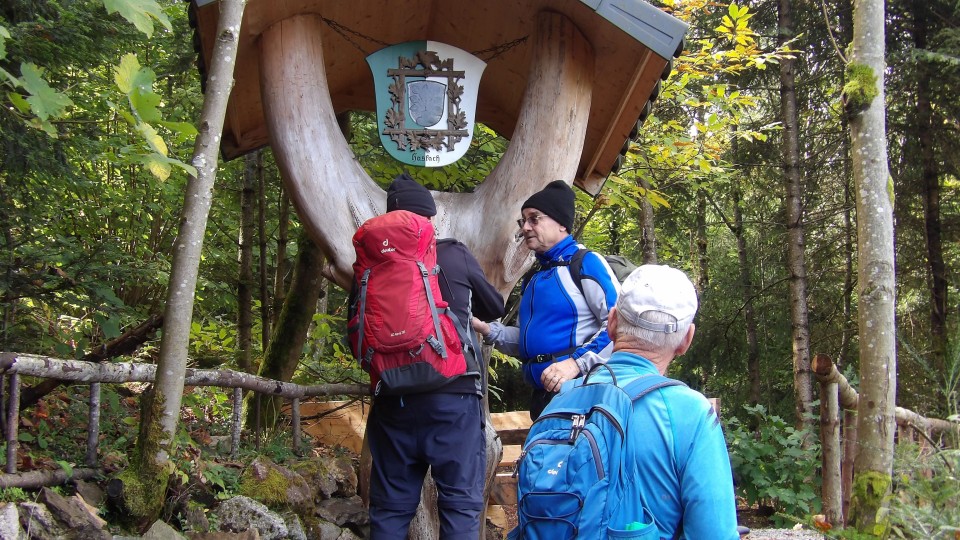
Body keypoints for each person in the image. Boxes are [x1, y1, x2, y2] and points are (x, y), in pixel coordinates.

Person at [363, 172, 505, 539]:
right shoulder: (453, 252)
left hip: (393, 399)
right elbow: (494, 306)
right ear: (429, 219)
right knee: (459, 507)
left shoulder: (370, 265)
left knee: (390, 511)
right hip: (452, 398)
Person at [584, 264, 740, 538]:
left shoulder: (563, 397)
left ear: (612, 322)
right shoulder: (690, 413)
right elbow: (714, 533)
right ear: (686, 340)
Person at [472, 179, 620, 419]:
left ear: (561, 224)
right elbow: (526, 341)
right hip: (542, 396)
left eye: (534, 219)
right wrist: (488, 330)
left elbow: (619, 325)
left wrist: (575, 364)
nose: (525, 227)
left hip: (582, 394)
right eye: (523, 221)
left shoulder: (585, 263)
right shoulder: (534, 277)